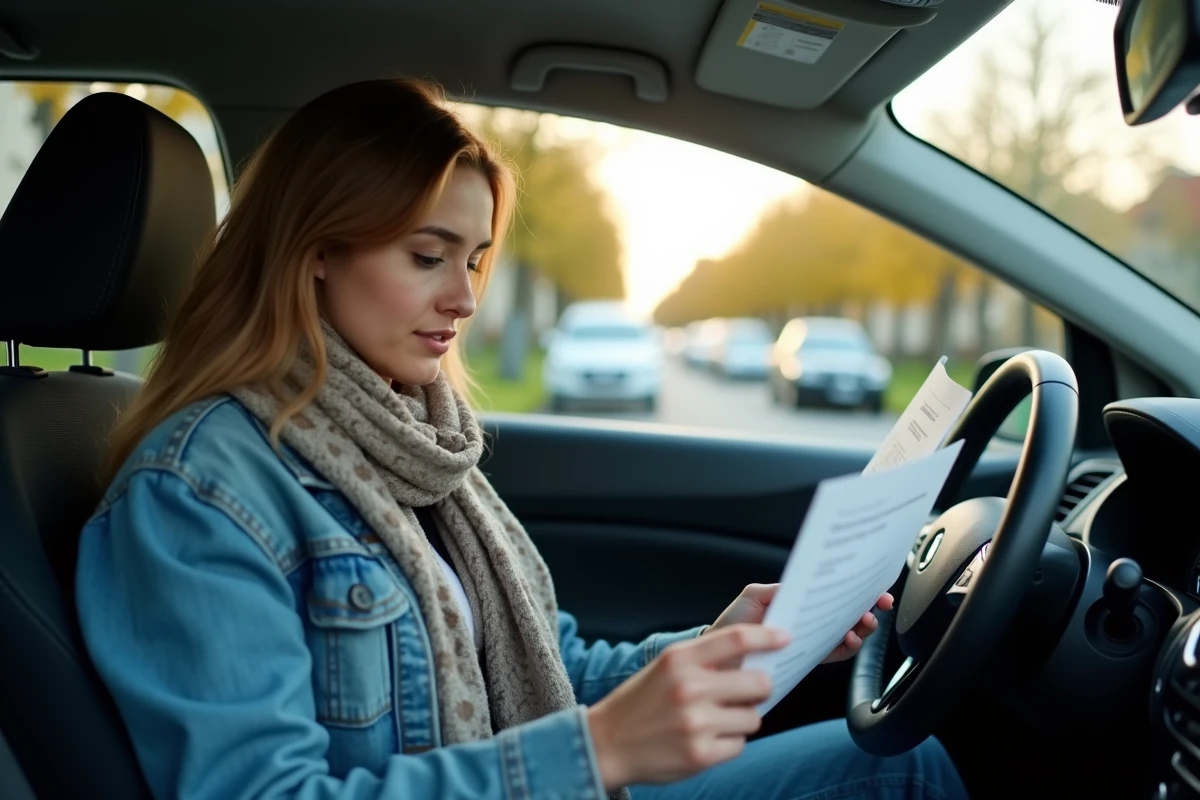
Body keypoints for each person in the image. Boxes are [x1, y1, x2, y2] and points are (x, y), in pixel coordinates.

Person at [76, 77, 968, 800]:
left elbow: (547, 660)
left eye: (473, 258)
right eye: (427, 257)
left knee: (900, 764)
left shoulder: (418, 443)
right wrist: (596, 754)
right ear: (312, 251)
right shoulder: (198, 492)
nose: (465, 298)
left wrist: (711, 641)